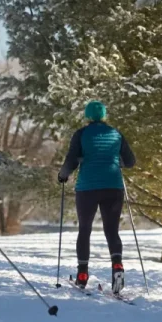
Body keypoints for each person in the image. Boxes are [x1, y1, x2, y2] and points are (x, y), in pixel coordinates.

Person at [58, 101, 136, 294]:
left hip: (88, 188)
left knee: (85, 229)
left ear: (87, 116)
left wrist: (63, 174)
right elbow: (130, 162)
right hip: (113, 186)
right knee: (112, 231)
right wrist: (115, 160)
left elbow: (72, 160)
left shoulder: (81, 134)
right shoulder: (116, 134)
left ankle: (82, 273)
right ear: (104, 115)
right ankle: (117, 266)